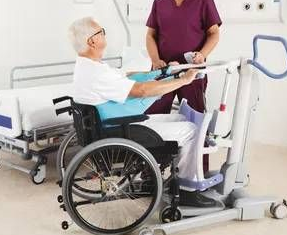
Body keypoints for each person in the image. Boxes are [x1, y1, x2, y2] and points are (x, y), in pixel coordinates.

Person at [68, 16, 217, 207]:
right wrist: (183, 80)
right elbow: (141, 90)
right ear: (92, 41)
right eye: (101, 32)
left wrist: (165, 73)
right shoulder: (97, 73)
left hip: (113, 125)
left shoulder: (89, 66)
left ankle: (170, 177)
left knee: (178, 117)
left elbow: (126, 76)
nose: (104, 34)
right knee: (191, 129)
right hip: (121, 130)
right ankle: (187, 191)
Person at [145, 0, 222, 114]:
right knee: (153, 116)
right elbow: (151, 35)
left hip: (192, 69)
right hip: (164, 70)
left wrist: (202, 54)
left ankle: (201, 141)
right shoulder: (159, 2)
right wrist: (155, 59)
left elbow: (214, 33)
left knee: (194, 117)